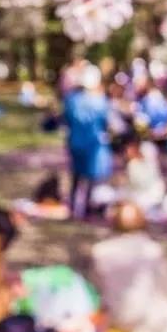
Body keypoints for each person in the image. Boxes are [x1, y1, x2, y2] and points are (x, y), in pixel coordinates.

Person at [90, 201, 167, 332]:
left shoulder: (100, 251)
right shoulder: (153, 250)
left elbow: (96, 290)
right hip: (146, 318)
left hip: (114, 318)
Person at [63, 63, 111, 218]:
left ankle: (72, 207)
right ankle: (87, 208)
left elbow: (67, 120)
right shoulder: (100, 101)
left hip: (75, 142)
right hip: (93, 145)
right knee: (90, 177)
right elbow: (105, 122)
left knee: (76, 176)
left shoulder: (71, 100)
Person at [121, 133, 166, 212]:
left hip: (150, 198)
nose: (126, 152)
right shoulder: (132, 164)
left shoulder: (147, 161)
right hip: (138, 196)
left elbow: (143, 183)